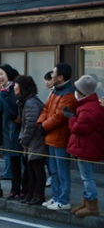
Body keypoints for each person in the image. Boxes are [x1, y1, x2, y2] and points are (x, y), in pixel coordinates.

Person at [37, 63, 77, 210]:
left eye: (54, 73)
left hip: (60, 139)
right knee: (53, 171)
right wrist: (41, 123)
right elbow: (45, 108)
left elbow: (60, 117)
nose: (51, 75)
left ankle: (64, 200)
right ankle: (56, 197)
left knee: (62, 171)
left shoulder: (68, 94)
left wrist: (44, 126)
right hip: (50, 136)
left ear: (60, 77)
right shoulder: (56, 91)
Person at [64, 75, 104, 217]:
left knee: (87, 177)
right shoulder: (92, 105)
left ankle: (91, 205)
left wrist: (71, 117)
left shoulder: (87, 108)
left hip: (86, 148)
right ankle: (86, 202)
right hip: (89, 147)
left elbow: (79, 129)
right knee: (86, 176)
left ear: (82, 92)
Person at [0, 64, 27, 200]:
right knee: (13, 163)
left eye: (2, 74)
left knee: (22, 163)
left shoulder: (14, 89)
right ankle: (14, 189)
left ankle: (24, 189)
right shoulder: (2, 90)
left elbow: (12, 111)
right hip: (7, 132)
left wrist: (2, 94)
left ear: (9, 75)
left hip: (17, 132)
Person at [15, 75, 46, 205]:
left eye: (16, 85)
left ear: (23, 87)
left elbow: (30, 125)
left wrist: (24, 141)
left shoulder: (30, 103)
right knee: (31, 170)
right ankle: (31, 194)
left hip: (35, 142)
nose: (14, 87)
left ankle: (38, 196)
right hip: (32, 142)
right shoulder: (27, 101)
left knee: (37, 170)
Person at [43, 71, 54, 187]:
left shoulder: (57, 93)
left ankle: (52, 177)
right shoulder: (51, 93)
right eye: (45, 80)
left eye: (49, 79)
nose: (46, 82)